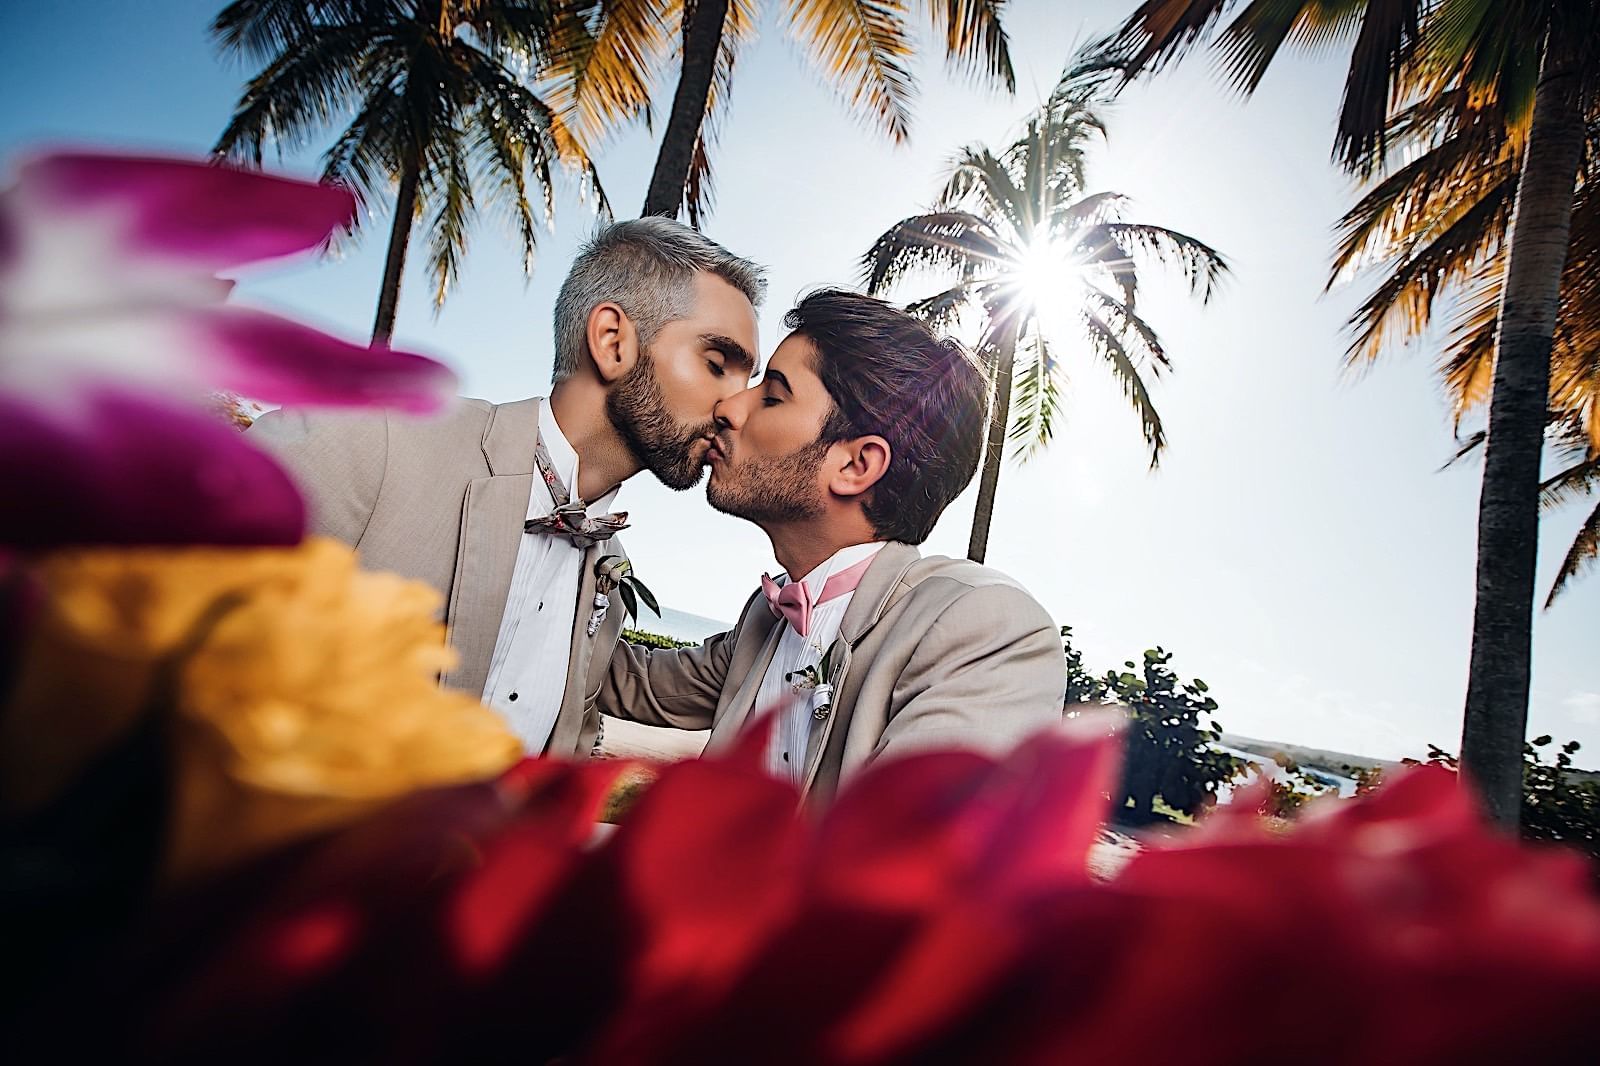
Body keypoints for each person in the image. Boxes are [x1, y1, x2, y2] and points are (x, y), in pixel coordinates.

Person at [249, 218, 765, 757]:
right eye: (717, 365)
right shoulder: (372, 443)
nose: (736, 407)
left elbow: (649, 687)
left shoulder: (602, 567)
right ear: (613, 342)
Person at [599, 289, 1067, 803]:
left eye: (772, 396)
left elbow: (913, 860)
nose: (729, 408)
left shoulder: (983, 625)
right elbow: (631, 681)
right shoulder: (766, 615)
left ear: (855, 465)